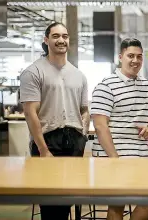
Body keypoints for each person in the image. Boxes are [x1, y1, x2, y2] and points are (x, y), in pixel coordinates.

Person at [19, 22, 89, 220]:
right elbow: (30, 112)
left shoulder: (78, 75)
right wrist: (43, 149)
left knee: (67, 198)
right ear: (46, 40)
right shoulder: (33, 72)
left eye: (65, 36)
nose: (61, 40)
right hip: (47, 140)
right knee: (50, 203)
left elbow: (84, 109)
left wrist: (82, 135)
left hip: (74, 140)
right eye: (56, 36)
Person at [90, 38, 148, 219]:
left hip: (140, 154)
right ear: (121, 57)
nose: (135, 60)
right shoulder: (106, 86)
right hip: (113, 155)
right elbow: (100, 126)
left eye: (139, 57)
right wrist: (114, 159)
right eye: (130, 56)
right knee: (118, 203)